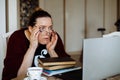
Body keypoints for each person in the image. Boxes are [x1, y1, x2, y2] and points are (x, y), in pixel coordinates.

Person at [2, 9, 70, 80]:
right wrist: (32, 47)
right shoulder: (17, 38)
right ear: (31, 29)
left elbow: (63, 72)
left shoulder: (53, 37)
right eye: (42, 28)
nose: (48, 32)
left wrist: (51, 51)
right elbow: (19, 76)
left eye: (50, 27)